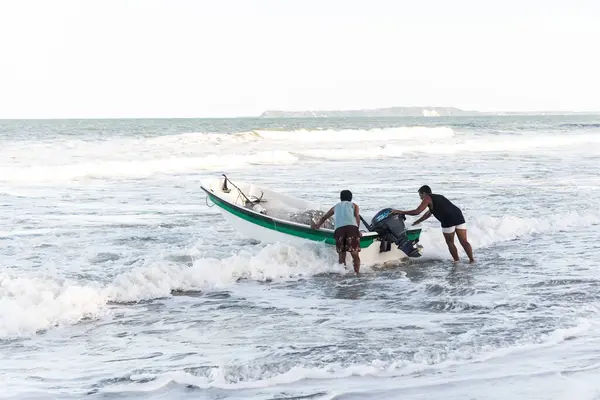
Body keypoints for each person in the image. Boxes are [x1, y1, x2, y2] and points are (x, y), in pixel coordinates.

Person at [391, 185, 475, 263]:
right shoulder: (439, 197)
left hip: (448, 219)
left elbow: (417, 211)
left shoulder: (427, 198)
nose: (421, 198)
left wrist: (399, 211)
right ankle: (472, 260)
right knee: (464, 241)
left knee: (450, 242)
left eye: (420, 195)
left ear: (424, 193)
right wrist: (418, 221)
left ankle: (456, 261)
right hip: (459, 216)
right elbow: (428, 213)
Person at [311, 190, 362, 274]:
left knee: (341, 255)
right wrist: (358, 230)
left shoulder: (335, 207)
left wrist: (317, 226)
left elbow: (325, 217)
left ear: (340, 198)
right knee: (354, 253)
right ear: (351, 198)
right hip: (352, 229)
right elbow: (357, 217)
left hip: (339, 230)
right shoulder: (354, 205)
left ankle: (343, 274)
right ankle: (357, 273)